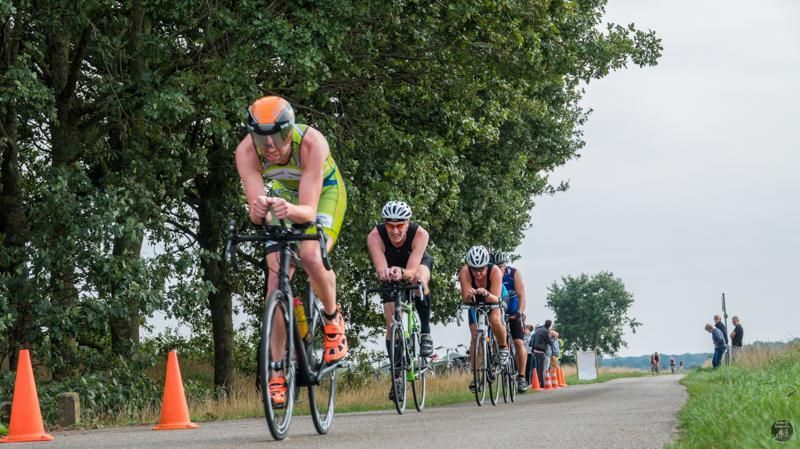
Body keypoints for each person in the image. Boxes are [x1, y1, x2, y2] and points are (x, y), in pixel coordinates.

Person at [235, 96, 348, 406]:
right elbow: (256, 214)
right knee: (275, 281)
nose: (270, 146)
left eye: (279, 136)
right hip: (283, 199)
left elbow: (309, 212)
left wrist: (288, 210)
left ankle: (333, 319)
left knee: (311, 255)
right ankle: (276, 370)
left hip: (323, 195)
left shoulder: (312, 143)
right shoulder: (247, 153)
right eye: (261, 138)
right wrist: (258, 210)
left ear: (291, 130)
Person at [366, 200, 434, 399]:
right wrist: (385, 273)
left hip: (414, 266)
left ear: (408, 222)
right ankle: (396, 377)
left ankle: (425, 333)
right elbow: (380, 267)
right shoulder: (375, 236)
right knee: (391, 323)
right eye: (390, 225)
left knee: (419, 279)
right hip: (390, 269)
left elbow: (411, 270)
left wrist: (402, 272)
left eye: (399, 225)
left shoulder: (420, 234)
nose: (394, 230)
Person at [459, 245, 509, 392]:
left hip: (493, 298)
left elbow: (496, 298)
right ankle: (476, 376)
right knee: (475, 337)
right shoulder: (464, 272)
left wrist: (485, 293)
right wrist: (470, 294)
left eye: (481, 269)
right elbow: (466, 299)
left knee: (494, 320)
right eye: (474, 269)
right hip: (475, 303)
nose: (478, 273)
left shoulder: (495, 271)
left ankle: (503, 346)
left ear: (487, 265)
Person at [492, 251, 529, 392]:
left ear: (505, 266)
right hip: (497, 310)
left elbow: (521, 295)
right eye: (495, 266)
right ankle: (495, 355)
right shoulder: (489, 275)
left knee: (519, 342)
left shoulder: (514, 273)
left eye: (500, 266)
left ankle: (521, 377)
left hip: (513, 310)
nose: (498, 269)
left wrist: (519, 312)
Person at [532, 320, 553, 389]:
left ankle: (538, 382)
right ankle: (542, 384)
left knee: (538, 368)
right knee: (542, 368)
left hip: (535, 350)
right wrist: (552, 341)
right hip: (541, 351)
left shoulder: (538, 330)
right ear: (549, 325)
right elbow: (548, 341)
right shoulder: (545, 331)